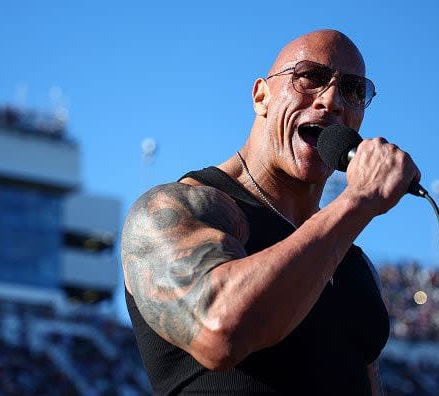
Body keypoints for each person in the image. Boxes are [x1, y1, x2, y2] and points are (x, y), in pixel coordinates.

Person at [121, 29, 420, 395]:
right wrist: (358, 202)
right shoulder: (176, 208)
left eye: (354, 89)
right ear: (261, 96)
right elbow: (221, 329)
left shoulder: (356, 265)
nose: (332, 100)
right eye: (309, 76)